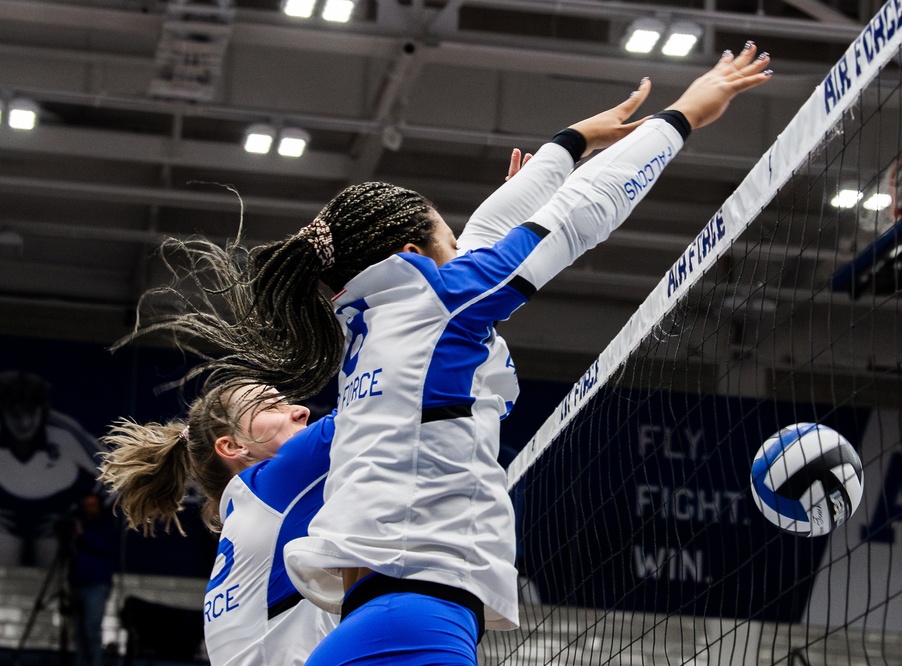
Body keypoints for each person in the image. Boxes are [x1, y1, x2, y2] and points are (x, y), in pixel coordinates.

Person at [118, 44, 772, 665]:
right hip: (414, 615)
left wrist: (566, 146)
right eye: (446, 236)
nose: (463, 248)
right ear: (410, 256)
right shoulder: (439, 307)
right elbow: (573, 218)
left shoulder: (376, 328)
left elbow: (490, 232)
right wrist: (684, 113)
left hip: (395, 616)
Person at [98, 383, 339, 666]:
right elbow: (369, 411)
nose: (301, 410)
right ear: (233, 446)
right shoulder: (268, 489)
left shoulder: (252, 511)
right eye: (271, 406)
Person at [0, 370, 104, 568]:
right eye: (15, 414)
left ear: (42, 409)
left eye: (31, 412)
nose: (24, 423)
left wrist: (84, 508)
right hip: (5, 528)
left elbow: (113, 472)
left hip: (54, 528)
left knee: (55, 572)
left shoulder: (65, 434)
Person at [67, 493, 118, 666]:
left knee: (92, 631)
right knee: (78, 633)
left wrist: (83, 535)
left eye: (93, 505)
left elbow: (106, 547)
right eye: (86, 504)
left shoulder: (105, 526)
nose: (89, 508)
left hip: (97, 585)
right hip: (77, 584)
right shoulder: (79, 525)